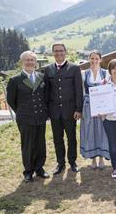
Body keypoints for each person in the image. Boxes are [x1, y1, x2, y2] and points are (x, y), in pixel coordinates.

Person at [6, 51, 49, 182]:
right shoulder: (15, 80)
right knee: (28, 145)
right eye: (27, 60)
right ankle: (28, 171)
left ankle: (39, 168)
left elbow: (45, 96)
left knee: (40, 143)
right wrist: (21, 111)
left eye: (32, 60)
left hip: (40, 117)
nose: (30, 62)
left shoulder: (41, 77)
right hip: (25, 118)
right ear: (22, 62)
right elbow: (11, 100)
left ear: (35, 62)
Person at [44, 43, 83, 174]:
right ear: (52, 53)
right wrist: (47, 111)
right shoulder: (48, 69)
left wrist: (79, 109)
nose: (58, 53)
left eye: (61, 51)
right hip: (54, 112)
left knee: (71, 138)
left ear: (65, 52)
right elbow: (46, 92)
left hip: (70, 111)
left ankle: (72, 161)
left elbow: (79, 90)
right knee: (57, 139)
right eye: (56, 51)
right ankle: (60, 163)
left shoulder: (74, 68)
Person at [80, 50, 110, 169]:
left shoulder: (106, 73)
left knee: (102, 132)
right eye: (92, 58)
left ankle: (102, 158)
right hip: (89, 107)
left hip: (102, 107)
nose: (94, 61)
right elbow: (82, 92)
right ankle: (93, 160)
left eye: (96, 58)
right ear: (89, 59)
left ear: (100, 60)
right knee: (90, 132)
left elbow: (109, 90)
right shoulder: (84, 74)